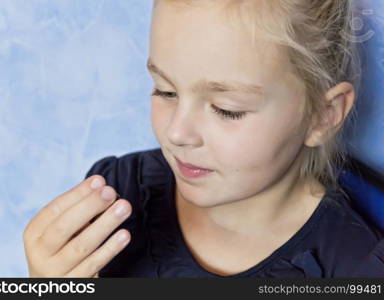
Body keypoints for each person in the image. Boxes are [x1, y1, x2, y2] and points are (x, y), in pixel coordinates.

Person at [23, 0, 384, 278]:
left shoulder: (354, 267)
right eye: (165, 91)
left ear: (323, 115)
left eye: (227, 110)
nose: (177, 133)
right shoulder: (116, 197)